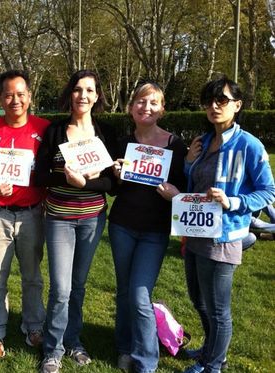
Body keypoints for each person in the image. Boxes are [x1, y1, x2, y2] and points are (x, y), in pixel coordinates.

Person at [182, 76, 275, 373]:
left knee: (219, 309)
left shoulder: (249, 145)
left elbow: (268, 191)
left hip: (224, 237)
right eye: (209, 101)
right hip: (195, 231)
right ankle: (211, 349)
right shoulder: (202, 141)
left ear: (237, 105)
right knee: (199, 300)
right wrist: (187, 162)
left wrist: (232, 202)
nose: (214, 106)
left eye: (221, 100)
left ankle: (213, 364)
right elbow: (193, 183)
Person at [35, 70, 117, 373]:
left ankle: (73, 341)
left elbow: (113, 184)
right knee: (60, 288)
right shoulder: (55, 131)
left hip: (93, 219)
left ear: (97, 96)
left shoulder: (106, 133)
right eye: (78, 89)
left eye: (89, 90)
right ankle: (52, 350)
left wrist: (86, 184)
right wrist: (65, 175)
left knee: (79, 286)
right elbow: (40, 175)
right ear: (70, 94)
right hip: (58, 219)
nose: (83, 95)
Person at [108, 81, 187, 372]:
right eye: (141, 102)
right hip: (122, 226)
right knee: (124, 291)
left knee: (140, 294)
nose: (146, 107)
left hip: (154, 231)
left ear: (162, 109)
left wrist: (174, 192)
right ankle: (124, 345)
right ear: (131, 108)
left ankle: (146, 360)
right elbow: (114, 190)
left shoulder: (175, 145)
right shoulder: (122, 143)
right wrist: (116, 175)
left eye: (153, 103)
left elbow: (186, 187)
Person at [0, 70, 49, 357]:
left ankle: (34, 327)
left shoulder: (44, 128)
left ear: (29, 96)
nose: (14, 100)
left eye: (20, 94)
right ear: (0, 98)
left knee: (32, 276)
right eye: (8, 95)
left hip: (32, 214)